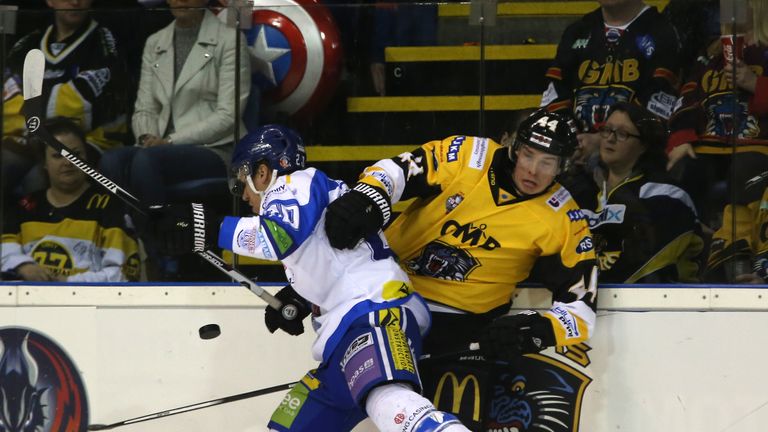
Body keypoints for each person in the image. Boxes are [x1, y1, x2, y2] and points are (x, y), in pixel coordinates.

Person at [152, 125, 471, 432]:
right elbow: (327, 257)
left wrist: (210, 228)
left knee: (388, 400)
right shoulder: (303, 197)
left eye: (242, 184)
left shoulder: (293, 183)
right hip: (342, 338)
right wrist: (300, 297)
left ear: (262, 172)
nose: (245, 196)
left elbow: (280, 236)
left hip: (374, 314)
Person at [324, 109, 599, 430]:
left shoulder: (564, 218)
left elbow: (582, 311)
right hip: (387, 301)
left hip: (463, 333)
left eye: (547, 162)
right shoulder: (470, 156)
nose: (533, 170)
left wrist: (534, 331)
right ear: (514, 148)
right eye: (528, 154)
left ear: (563, 167)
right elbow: (396, 170)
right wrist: (369, 196)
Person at [98, 0, 250, 207]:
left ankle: (155, 234)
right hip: (157, 146)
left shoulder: (230, 40)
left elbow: (228, 115)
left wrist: (170, 142)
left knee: (146, 162)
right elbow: (145, 108)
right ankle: (126, 231)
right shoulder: (155, 42)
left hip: (213, 148)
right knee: (111, 161)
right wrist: (146, 138)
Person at [666, 0, 768, 282]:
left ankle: (738, 259)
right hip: (710, 145)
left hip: (757, 146)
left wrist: (754, 84)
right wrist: (682, 137)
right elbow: (687, 99)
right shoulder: (710, 55)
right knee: (683, 168)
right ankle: (690, 254)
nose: (730, 7)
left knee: (744, 167)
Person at [565, 102, 703, 283]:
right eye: (607, 130)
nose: (610, 139)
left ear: (644, 145)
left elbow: (645, 265)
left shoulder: (667, 195)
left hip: (656, 303)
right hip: (586, 298)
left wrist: (587, 289)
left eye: (622, 134)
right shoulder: (581, 191)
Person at [2, 0, 129, 195]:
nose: (75, 2)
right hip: (31, 141)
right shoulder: (27, 43)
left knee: (39, 179)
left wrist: (33, 106)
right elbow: (9, 101)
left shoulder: (104, 41)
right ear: (50, 1)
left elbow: (83, 104)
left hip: (87, 142)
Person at [541, 0, 681, 168]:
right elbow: (556, 91)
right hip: (575, 149)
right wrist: (572, 138)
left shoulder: (662, 31)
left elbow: (659, 98)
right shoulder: (577, 30)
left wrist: (603, 139)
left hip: (635, 155)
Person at [1, 118, 140, 282]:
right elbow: (5, 249)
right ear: (44, 163)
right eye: (58, 155)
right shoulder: (25, 206)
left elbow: (123, 275)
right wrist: (22, 266)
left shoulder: (111, 206)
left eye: (76, 154)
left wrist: (68, 284)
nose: (68, 162)